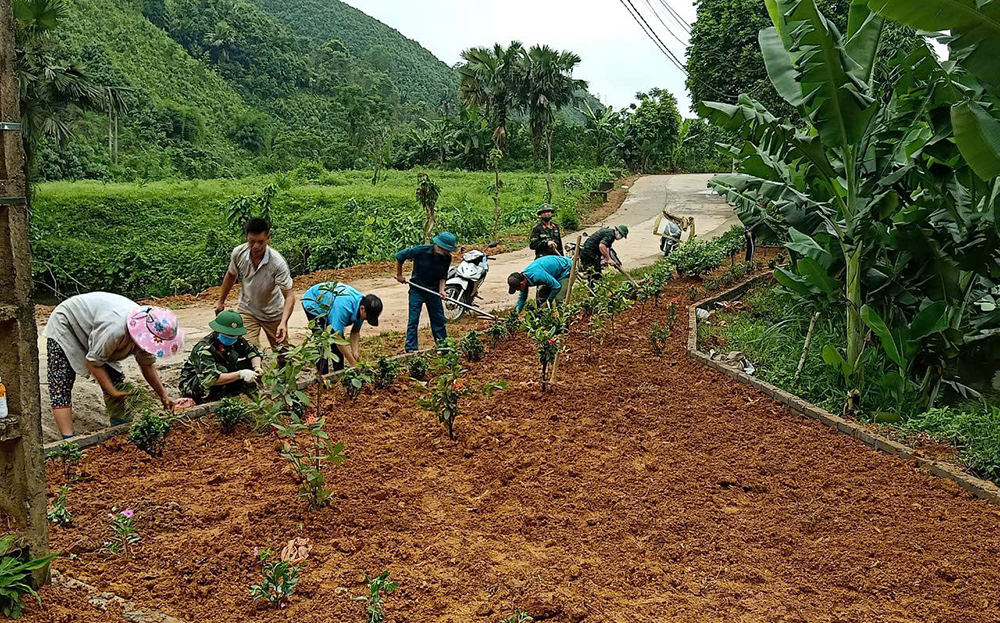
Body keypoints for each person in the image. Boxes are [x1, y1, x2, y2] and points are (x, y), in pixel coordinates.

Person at [44, 293, 184, 438]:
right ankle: (69, 441)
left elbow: (147, 365)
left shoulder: (146, 333)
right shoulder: (115, 330)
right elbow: (93, 363)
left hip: (96, 328)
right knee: (61, 385)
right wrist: (112, 391)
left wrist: (163, 396)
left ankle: (119, 426)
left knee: (116, 379)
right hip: (67, 324)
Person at [214, 218, 296, 349]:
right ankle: (255, 369)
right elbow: (231, 275)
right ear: (246, 237)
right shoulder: (238, 253)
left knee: (283, 354)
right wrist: (221, 301)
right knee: (248, 350)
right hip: (247, 310)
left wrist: (283, 322)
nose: (256, 246)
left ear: (268, 238)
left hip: (273, 313)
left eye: (260, 242)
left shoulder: (277, 263)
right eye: (251, 241)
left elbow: (289, 296)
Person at [179, 310, 262, 404]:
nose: (232, 338)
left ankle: (244, 395)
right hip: (195, 383)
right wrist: (240, 374)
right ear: (218, 332)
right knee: (222, 370)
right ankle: (213, 399)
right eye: (228, 335)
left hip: (223, 374)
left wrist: (256, 367)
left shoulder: (237, 340)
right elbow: (210, 379)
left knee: (247, 364)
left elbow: (253, 352)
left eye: (234, 335)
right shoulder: (205, 348)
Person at [301, 281, 383, 373]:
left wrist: (355, 353)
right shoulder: (343, 308)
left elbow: (355, 332)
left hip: (332, 305)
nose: (367, 320)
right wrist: (353, 363)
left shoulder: (363, 307)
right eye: (368, 317)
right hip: (314, 302)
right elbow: (337, 338)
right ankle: (323, 376)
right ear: (362, 309)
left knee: (338, 348)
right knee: (322, 342)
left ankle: (339, 374)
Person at [395, 232, 458, 352]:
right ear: (437, 245)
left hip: (433, 292)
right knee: (413, 320)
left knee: (438, 320)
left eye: (447, 251)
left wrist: (441, 290)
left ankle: (443, 346)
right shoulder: (421, 250)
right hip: (417, 290)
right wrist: (399, 275)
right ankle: (411, 349)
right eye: (443, 249)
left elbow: (442, 276)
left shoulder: (447, 258)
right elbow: (400, 256)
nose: (445, 253)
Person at [508, 255, 574, 313]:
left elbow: (556, 286)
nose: (518, 291)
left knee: (560, 299)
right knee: (542, 295)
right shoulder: (523, 279)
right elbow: (522, 299)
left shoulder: (537, 276)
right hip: (554, 273)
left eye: (517, 289)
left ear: (522, 284)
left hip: (567, 269)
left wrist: (548, 301)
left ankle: (565, 323)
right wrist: (516, 313)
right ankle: (547, 320)